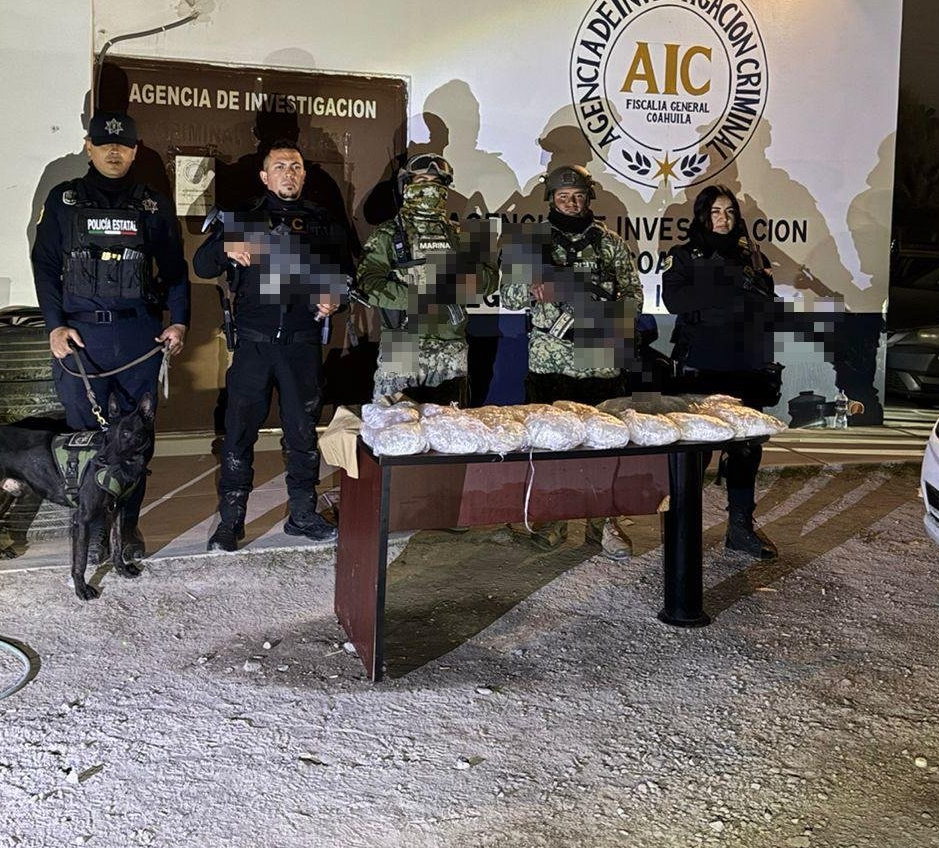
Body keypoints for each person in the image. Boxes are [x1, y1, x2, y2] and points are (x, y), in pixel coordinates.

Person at [31, 110, 188, 561]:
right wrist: (54, 324)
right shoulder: (64, 201)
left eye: (122, 145)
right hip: (83, 337)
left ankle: (128, 527)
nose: (113, 152)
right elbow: (45, 265)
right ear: (90, 147)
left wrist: (178, 320)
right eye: (104, 144)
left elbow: (175, 268)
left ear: (134, 151)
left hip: (139, 335)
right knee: (87, 441)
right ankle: (95, 530)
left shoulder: (152, 204)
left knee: (137, 438)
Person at [193, 140, 352, 551]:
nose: (289, 172)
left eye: (295, 166)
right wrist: (227, 246)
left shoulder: (322, 221)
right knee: (239, 433)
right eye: (280, 166)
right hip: (254, 346)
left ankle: (302, 514)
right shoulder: (244, 218)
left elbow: (347, 276)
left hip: (302, 345)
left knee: (302, 433)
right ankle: (231, 520)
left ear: (304, 174)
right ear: (265, 176)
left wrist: (335, 297)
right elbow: (202, 265)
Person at [499, 163, 641, 558]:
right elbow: (508, 296)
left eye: (578, 196)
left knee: (604, 450)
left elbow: (634, 297)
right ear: (552, 199)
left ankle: (603, 524)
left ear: (588, 198)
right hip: (550, 364)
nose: (571, 203)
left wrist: (606, 314)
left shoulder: (610, 243)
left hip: (600, 361)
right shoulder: (532, 242)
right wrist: (536, 287)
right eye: (563, 197)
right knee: (552, 450)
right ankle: (554, 520)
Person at [662, 183, 781, 558]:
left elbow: (766, 307)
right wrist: (727, 285)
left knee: (746, 452)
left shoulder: (753, 257)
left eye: (729, 211)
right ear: (702, 216)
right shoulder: (684, 256)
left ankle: (740, 529)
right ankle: (682, 532)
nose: (723, 218)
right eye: (715, 211)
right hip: (702, 368)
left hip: (745, 366)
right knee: (696, 455)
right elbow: (674, 300)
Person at [354, 153, 499, 404]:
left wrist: (459, 280)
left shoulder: (462, 234)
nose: (430, 188)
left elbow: (491, 280)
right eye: (422, 181)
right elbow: (368, 283)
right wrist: (419, 297)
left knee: (449, 425)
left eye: (436, 182)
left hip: (450, 344)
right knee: (395, 422)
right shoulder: (388, 233)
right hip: (402, 343)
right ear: (406, 186)